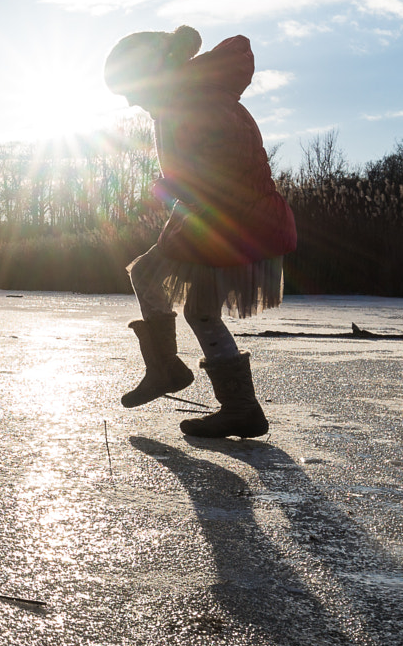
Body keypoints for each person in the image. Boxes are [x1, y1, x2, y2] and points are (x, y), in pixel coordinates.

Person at [103, 25, 296, 438]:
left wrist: (177, 188)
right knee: (162, 285)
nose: (130, 100)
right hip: (218, 215)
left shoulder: (195, 100)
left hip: (232, 219)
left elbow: (217, 166)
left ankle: (224, 399)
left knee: (192, 306)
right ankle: (174, 372)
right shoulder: (183, 97)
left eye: (129, 88)